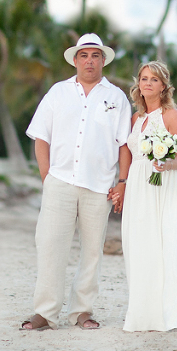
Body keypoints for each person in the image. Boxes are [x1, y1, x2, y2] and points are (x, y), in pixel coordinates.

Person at [21, 33, 131, 331]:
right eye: (84, 55)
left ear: (103, 60)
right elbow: (41, 137)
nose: (89, 61)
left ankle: (82, 311)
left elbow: (124, 145)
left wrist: (122, 181)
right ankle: (45, 313)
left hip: (100, 187)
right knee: (50, 245)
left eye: (95, 55)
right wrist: (47, 178)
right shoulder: (57, 93)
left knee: (92, 250)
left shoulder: (117, 97)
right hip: (59, 182)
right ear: (75, 60)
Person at [109, 60, 177, 332]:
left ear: (163, 86)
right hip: (138, 185)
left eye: (154, 79)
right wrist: (122, 184)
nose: (147, 83)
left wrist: (166, 163)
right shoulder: (135, 119)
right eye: (144, 78)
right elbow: (126, 152)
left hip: (163, 186)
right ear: (138, 84)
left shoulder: (171, 115)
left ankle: (169, 314)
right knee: (139, 246)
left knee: (165, 245)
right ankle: (143, 314)